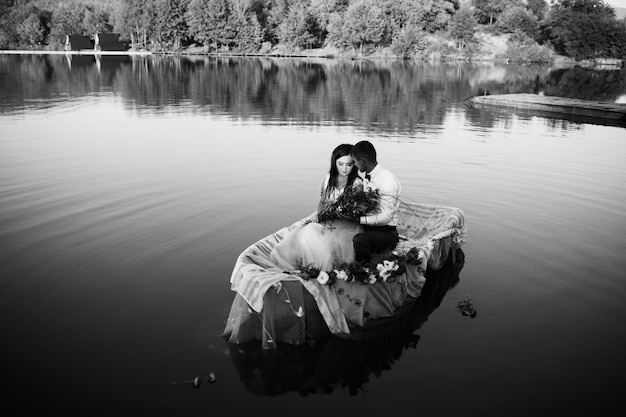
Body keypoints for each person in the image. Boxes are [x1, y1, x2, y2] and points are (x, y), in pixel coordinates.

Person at [269, 144, 363, 271]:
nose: (344, 168)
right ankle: (311, 265)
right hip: (327, 219)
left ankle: (323, 268)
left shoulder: (357, 183)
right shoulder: (329, 178)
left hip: (346, 224)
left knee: (319, 236)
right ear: (334, 162)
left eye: (349, 164)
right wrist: (320, 216)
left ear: (354, 164)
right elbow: (322, 202)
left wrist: (337, 215)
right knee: (306, 231)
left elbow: (355, 212)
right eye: (340, 164)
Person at [342, 140, 402, 265]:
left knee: (359, 240)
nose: (355, 166)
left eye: (355, 162)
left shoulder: (387, 181)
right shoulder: (366, 177)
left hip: (386, 232)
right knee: (340, 230)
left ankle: (364, 270)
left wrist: (358, 220)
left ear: (362, 161)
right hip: (369, 227)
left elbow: (386, 217)